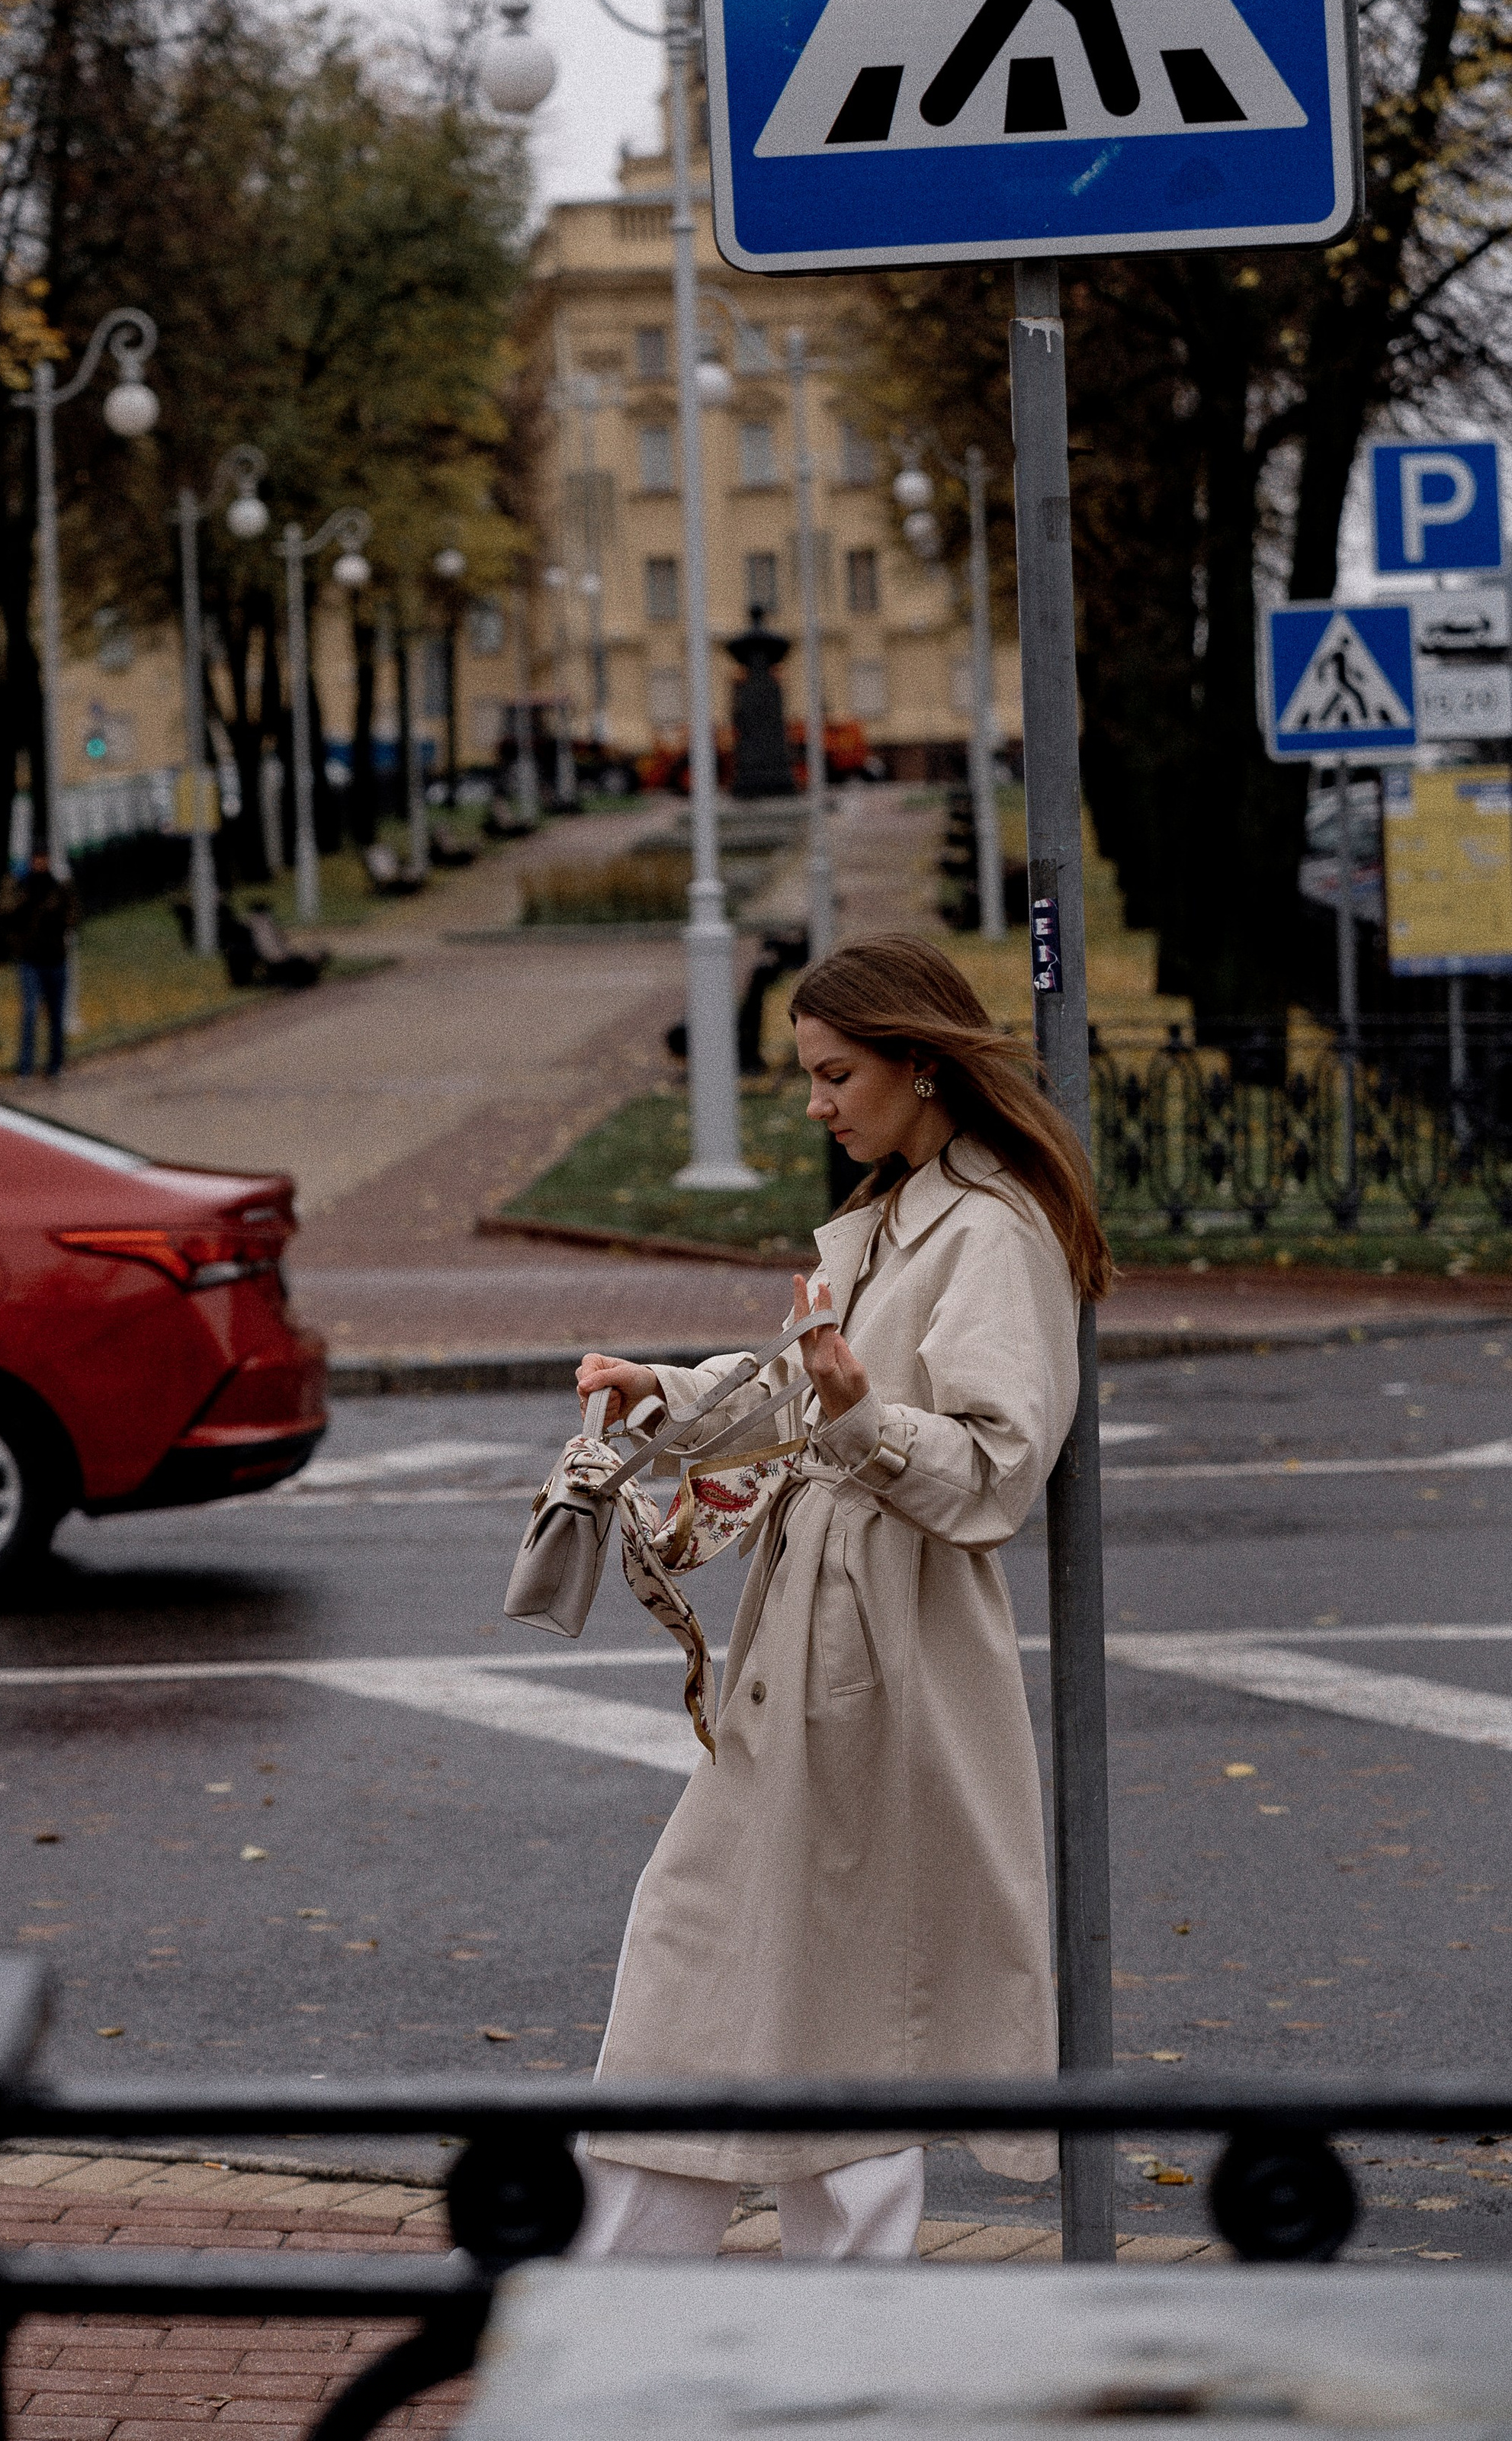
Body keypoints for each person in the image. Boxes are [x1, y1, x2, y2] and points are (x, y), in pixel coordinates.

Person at [570, 933, 1111, 2261]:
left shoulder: (989, 1231)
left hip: (888, 1656)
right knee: (732, 1977)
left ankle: (690, 2334)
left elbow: (993, 1468)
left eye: (834, 1074)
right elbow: (800, 1387)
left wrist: (863, 1416)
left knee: (831, 2001)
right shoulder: (895, 1219)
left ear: (921, 1064)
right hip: (825, 1649)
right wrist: (670, 1395)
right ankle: (642, 2317)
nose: (816, 1103)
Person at [0, 850, 80, 1079]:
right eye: (37, 859)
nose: (41, 864)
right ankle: (25, 1067)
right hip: (31, 960)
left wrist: (59, 918)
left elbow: (72, 916)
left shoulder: (59, 887)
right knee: (30, 1012)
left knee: (56, 1014)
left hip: (55, 958)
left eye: (44, 859)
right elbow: (8, 913)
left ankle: (55, 1065)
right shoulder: (22, 887)